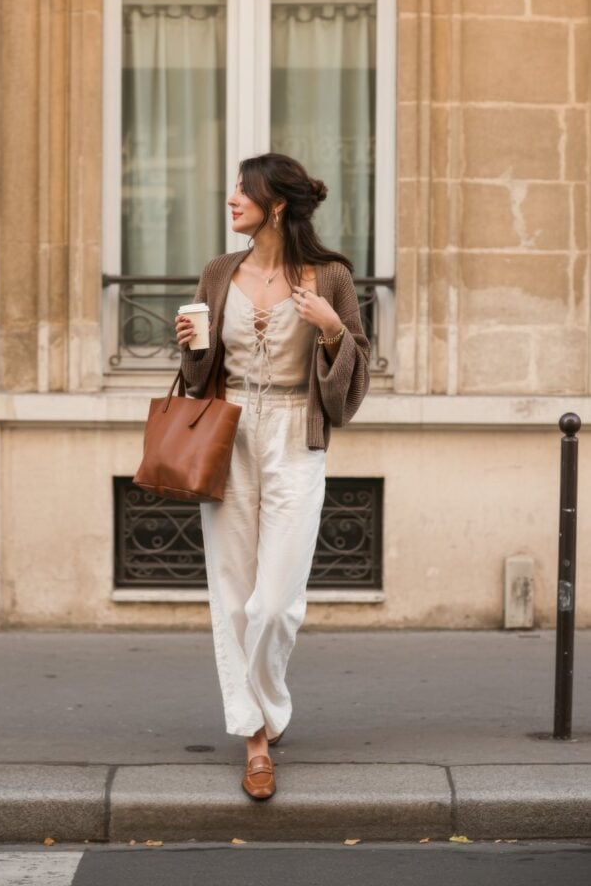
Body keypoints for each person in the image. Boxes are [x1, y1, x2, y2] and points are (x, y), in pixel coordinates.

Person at [175, 152, 370, 801]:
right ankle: (255, 737)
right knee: (232, 591)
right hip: (230, 435)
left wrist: (334, 330)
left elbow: (350, 390)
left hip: (294, 433)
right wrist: (192, 344)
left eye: (244, 189)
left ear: (276, 203)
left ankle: (266, 700)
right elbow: (200, 376)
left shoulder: (330, 277)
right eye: (233, 187)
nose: (231, 198)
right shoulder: (218, 274)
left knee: (276, 601)